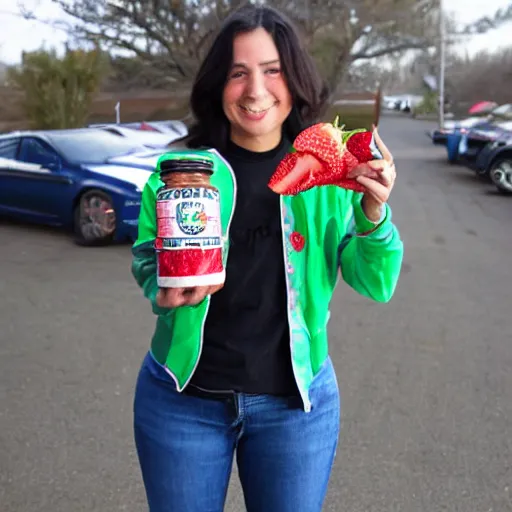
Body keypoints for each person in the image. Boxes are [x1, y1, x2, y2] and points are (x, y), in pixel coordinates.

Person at [131, 4, 403, 512]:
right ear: (219, 85)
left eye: (272, 70)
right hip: (181, 401)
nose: (256, 90)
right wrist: (161, 288)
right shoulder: (180, 174)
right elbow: (147, 257)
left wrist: (373, 212)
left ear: (295, 80)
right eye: (238, 73)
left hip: (296, 410)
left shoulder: (329, 174)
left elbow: (376, 281)